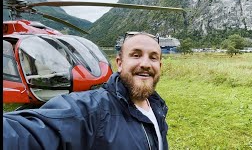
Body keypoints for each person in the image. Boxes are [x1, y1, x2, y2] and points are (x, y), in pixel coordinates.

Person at [3, 32, 168, 150]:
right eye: (136, 55)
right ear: (119, 63)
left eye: (153, 57)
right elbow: (32, 131)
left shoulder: (156, 106)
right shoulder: (93, 111)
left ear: (159, 66)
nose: (146, 63)